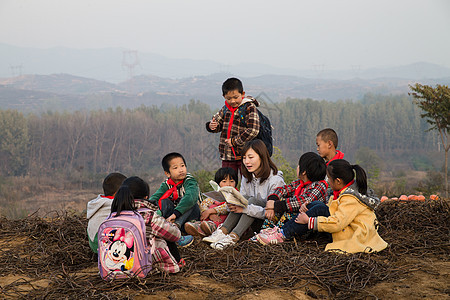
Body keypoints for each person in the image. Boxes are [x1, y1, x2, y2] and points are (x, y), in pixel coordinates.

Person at [256, 159, 388, 254]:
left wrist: (310, 221)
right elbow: (331, 210)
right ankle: (280, 231)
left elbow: (337, 222)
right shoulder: (342, 193)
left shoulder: (350, 199)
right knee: (318, 205)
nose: (328, 182)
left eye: (329, 179)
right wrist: (307, 208)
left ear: (338, 181)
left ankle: (282, 234)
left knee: (320, 208)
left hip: (352, 235)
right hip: (345, 229)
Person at [203, 139, 285, 250]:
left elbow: (271, 212)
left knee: (250, 201)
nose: (246, 162)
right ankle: (222, 232)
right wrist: (232, 205)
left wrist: (244, 209)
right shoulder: (247, 177)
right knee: (243, 199)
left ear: (262, 157)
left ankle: (233, 236)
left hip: (269, 222)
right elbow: (241, 201)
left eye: (251, 157)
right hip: (250, 221)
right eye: (244, 158)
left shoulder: (275, 180)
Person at [111, 176, 187, 273]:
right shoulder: (148, 216)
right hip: (144, 265)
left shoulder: (114, 215)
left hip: (117, 265)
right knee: (165, 234)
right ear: (146, 197)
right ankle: (176, 263)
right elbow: (175, 235)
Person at [259, 152, 328, 232]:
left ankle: (277, 234)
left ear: (304, 172)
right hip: (296, 218)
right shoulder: (299, 183)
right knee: (275, 212)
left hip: (307, 223)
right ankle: (263, 233)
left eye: (299, 165)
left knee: (287, 214)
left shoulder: (320, 185)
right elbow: (283, 189)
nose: (297, 167)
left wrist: (275, 205)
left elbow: (303, 201)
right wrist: (272, 201)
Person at [206, 77, 260, 176]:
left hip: (245, 155)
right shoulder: (226, 108)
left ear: (242, 94)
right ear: (224, 96)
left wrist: (234, 141)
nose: (232, 101)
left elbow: (253, 130)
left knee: (248, 182)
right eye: (229, 98)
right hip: (227, 155)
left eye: (236, 97)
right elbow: (218, 123)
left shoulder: (249, 107)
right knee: (227, 183)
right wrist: (212, 125)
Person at [149, 152, 200, 247]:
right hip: (171, 218)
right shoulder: (166, 184)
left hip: (189, 216)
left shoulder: (190, 180)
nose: (181, 170)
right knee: (164, 201)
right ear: (167, 173)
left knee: (189, 201)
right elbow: (155, 197)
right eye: (175, 168)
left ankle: (174, 229)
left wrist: (175, 214)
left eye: (182, 166)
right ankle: (163, 226)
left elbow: (190, 197)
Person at [184, 167, 238, 237]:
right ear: (218, 183)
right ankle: (200, 228)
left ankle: (211, 229)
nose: (228, 184)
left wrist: (211, 211)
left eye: (232, 181)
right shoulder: (216, 194)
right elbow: (204, 203)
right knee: (204, 222)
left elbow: (228, 207)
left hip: (223, 220)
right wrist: (207, 213)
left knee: (216, 222)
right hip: (210, 218)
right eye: (224, 181)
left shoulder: (235, 195)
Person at [86, 172, 126, 253]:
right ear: (118, 192)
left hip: (95, 246)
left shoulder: (99, 203)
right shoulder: (114, 205)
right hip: (107, 248)